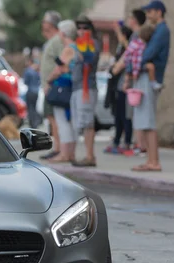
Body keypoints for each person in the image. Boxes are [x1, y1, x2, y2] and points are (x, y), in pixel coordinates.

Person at [130, 0, 170, 172]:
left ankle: (154, 162)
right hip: (145, 76)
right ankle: (150, 160)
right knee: (145, 121)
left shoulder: (161, 30)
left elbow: (148, 53)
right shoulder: (158, 30)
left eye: (150, 12)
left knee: (148, 121)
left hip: (149, 78)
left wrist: (134, 64)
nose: (148, 15)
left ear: (158, 12)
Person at [110, 9, 148, 156]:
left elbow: (129, 55)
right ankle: (136, 144)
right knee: (128, 113)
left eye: (131, 18)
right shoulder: (135, 35)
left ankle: (137, 144)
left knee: (131, 113)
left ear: (135, 20)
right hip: (131, 77)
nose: (129, 20)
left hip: (132, 78)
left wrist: (122, 71)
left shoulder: (137, 35)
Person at [69, 15, 101, 167]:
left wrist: (82, 45)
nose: (82, 30)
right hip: (77, 87)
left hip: (86, 87)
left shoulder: (92, 43)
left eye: (85, 27)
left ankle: (90, 156)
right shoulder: (77, 43)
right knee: (80, 122)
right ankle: (85, 154)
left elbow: (89, 60)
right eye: (79, 28)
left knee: (87, 122)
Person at [46, 20, 76, 163]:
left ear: (63, 33)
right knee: (68, 121)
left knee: (62, 121)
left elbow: (59, 69)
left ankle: (65, 154)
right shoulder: (76, 47)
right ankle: (70, 153)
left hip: (62, 87)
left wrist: (48, 80)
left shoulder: (68, 48)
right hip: (71, 87)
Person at [39, 11, 64, 160]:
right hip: (48, 84)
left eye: (45, 21)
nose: (42, 24)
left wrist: (50, 81)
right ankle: (57, 147)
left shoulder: (57, 41)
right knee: (51, 117)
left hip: (53, 85)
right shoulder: (51, 41)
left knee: (54, 117)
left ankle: (59, 148)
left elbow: (60, 62)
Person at [23, 57, 41, 129]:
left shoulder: (28, 71)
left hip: (30, 91)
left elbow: (25, 82)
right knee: (34, 107)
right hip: (36, 91)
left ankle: (32, 124)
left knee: (30, 108)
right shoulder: (37, 71)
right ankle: (36, 122)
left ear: (30, 62)